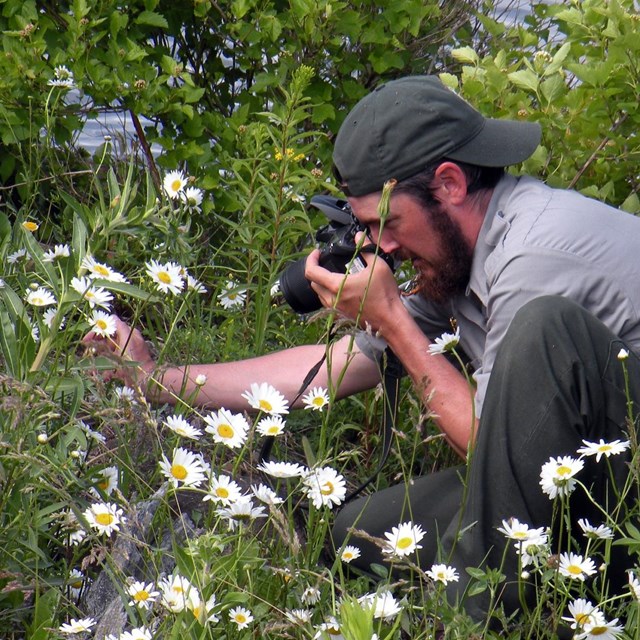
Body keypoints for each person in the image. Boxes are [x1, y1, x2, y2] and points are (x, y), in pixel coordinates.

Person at [90, 76, 640, 621]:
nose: (385, 247)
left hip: (620, 497)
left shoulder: (535, 257)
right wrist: (157, 378)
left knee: (542, 329)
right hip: (581, 480)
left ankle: (480, 624)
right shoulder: (464, 255)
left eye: (388, 224)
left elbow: (492, 442)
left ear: (448, 183)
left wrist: (396, 320)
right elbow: (342, 365)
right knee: (358, 537)